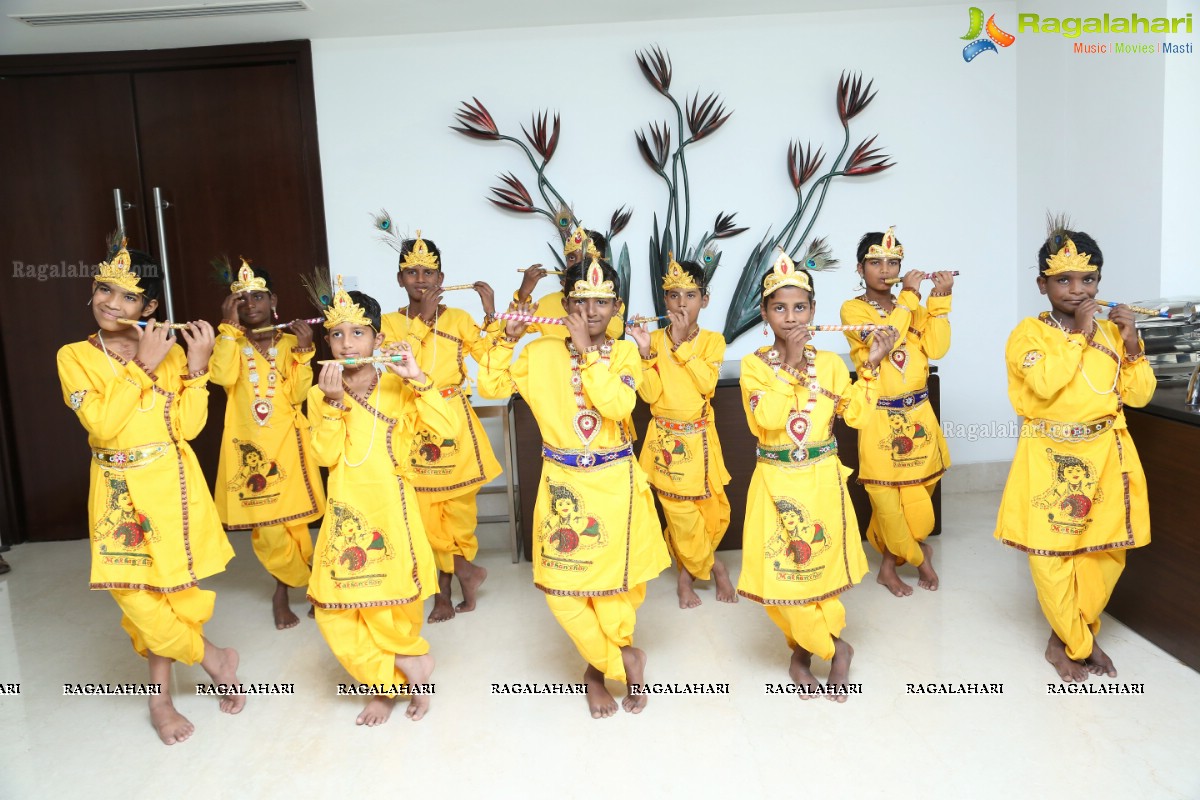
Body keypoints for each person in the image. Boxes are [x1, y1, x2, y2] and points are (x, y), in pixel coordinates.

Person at [56, 237, 243, 745]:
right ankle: (214, 657)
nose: (111, 304)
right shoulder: (74, 356)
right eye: (103, 289)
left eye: (128, 297)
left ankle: (159, 699)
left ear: (151, 307)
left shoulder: (171, 353)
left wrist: (199, 367)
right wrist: (141, 364)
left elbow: (185, 427)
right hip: (116, 491)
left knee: (173, 596)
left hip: (171, 487)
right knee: (135, 598)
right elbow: (100, 423)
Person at [479, 254, 670, 718]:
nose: (592, 312)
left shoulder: (625, 352)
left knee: (612, 591)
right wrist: (507, 337)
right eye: (581, 302)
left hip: (614, 483)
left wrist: (587, 352)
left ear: (617, 306)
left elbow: (618, 403)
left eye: (602, 302)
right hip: (563, 481)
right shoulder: (541, 352)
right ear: (565, 304)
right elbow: (488, 384)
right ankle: (625, 660)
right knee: (564, 590)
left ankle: (595, 671)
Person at [994, 218, 1154, 682]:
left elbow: (1139, 395)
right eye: (1063, 279)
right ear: (1042, 284)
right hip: (1049, 460)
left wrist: (1131, 344)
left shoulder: (1111, 334)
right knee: (1050, 558)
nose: (1077, 289)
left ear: (1100, 281)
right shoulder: (1028, 333)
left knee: (1104, 555)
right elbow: (1043, 384)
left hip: (1107, 458)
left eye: (1088, 279)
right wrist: (1080, 333)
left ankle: (1067, 634)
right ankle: (1079, 642)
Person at [739, 248, 896, 701]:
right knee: (780, 578)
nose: (790, 317)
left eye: (800, 307)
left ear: (813, 311)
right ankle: (830, 645)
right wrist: (787, 362)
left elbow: (859, 416)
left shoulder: (828, 365)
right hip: (774, 482)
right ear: (765, 314)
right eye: (780, 308)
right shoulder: (754, 366)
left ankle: (809, 650)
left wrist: (871, 366)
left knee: (819, 571)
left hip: (821, 480)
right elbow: (766, 419)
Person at [306, 276, 454, 725]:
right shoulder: (318, 393)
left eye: (357, 333)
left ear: (378, 338)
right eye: (336, 334)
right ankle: (408, 668)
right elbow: (324, 455)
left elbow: (445, 432)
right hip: (346, 509)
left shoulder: (399, 386)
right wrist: (333, 404)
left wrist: (420, 380)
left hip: (393, 507)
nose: (347, 344)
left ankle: (384, 689)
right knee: (334, 609)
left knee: (392, 603)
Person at [379, 231, 499, 623]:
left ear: (441, 279)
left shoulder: (460, 320)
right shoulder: (388, 323)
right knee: (424, 516)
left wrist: (490, 314)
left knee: (459, 514)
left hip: (453, 423)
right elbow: (397, 363)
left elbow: (490, 356)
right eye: (411, 272)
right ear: (400, 279)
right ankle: (457, 580)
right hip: (413, 425)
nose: (420, 279)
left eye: (428, 272)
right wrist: (422, 323)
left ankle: (454, 586)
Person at [210, 260, 324, 629]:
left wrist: (305, 355)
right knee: (268, 528)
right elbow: (222, 376)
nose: (249, 304)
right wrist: (227, 331)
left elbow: (297, 395)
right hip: (249, 446)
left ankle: (285, 591)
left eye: (257, 295)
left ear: (272, 298)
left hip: (289, 442)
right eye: (240, 299)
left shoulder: (290, 341)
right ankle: (299, 582)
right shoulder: (229, 343)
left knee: (294, 523)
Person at [840, 227, 953, 597]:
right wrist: (909, 296)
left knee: (917, 504)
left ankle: (890, 563)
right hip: (878, 419)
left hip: (919, 416)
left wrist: (939, 299)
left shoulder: (914, 305)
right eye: (875, 262)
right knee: (887, 501)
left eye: (893, 262)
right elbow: (883, 340)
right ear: (860, 268)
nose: (885, 269)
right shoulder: (853, 310)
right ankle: (918, 557)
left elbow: (936, 349)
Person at [626, 254, 734, 609]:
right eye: (674, 296)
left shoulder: (713, 342)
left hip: (701, 440)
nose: (681, 303)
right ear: (664, 301)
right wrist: (644, 352)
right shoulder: (653, 339)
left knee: (712, 514)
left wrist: (684, 343)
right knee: (678, 513)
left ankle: (688, 573)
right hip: (665, 441)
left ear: (705, 299)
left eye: (690, 295)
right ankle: (713, 568)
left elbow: (706, 384)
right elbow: (650, 395)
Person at [511, 225, 625, 340]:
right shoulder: (547, 303)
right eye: (571, 258)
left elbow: (615, 332)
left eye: (586, 258)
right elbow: (510, 332)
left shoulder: (608, 300)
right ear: (565, 304)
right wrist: (522, 295)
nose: (577, 263)